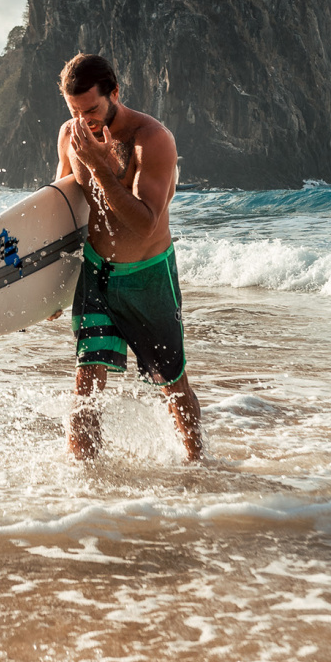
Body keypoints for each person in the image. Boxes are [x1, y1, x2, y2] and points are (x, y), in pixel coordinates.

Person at [53, 52, 203, 462]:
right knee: (85, 387)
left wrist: (100, 167)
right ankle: (86, 490)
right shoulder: (71, 134)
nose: (84, 121)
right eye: (74, 111)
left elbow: (146, 224)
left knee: (172, 382)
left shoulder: (151, 140)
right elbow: (62, 211)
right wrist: (49, 286)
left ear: (115, 92)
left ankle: (199, 468)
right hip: (97, 274)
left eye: (92, 109)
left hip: (147, 278)